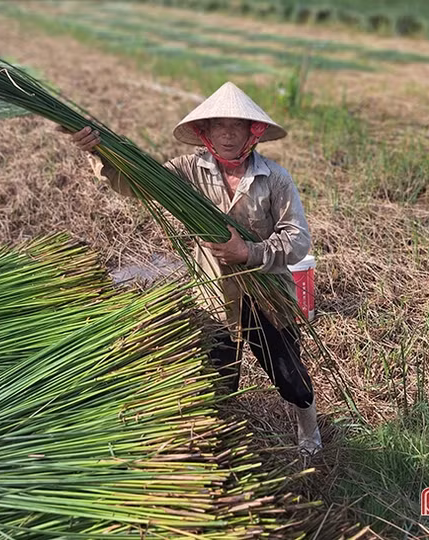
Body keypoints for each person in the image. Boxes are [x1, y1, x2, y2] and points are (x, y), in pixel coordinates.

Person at [65, 81, 322, 456]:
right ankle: (224, 442)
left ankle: (309, 432)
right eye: (219, 126)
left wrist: (247, 251)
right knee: (218, 379)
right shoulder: (187, 171)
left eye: (237, 126)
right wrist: (99, 151)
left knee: (289, 375)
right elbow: (139, 184)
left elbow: (298, 240)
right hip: (213, 295)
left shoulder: (275, 178)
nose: (228, 134)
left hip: (266, 295)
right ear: (206, 132)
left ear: (253, 132)